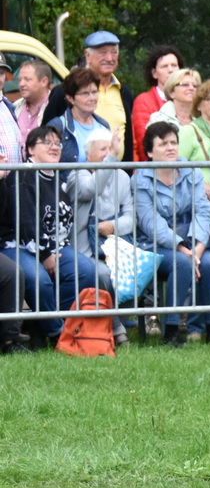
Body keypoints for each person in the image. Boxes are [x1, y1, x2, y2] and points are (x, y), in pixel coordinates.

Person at [0, 125, 108, 340]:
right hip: (19, 244)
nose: (54, 147)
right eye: (47, 143)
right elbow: (25, 222)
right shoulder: (23, 176)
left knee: (86, 271)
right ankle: (56, 332)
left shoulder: (57, 178)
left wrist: (53, 250)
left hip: (54, 245)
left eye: (57, 143)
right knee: (40, 280)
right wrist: (45, 254)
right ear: (30, 149)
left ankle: (51, 326)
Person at [133, 122, 210, 346]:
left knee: (209, 263)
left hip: (193, 240)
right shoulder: (140, 178)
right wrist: (184, 249)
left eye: (174, 142)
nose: (171, 147)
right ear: (150, 152)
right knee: (181, 262)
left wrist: (199, 248)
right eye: (163, 144)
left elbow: (203, 210)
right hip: (154, 243)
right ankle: (171, 330)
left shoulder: (191, 170)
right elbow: (151, 223)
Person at [64, 127, 133, 345]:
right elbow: (91, 189)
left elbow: (131, 218)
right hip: (85, 248)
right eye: (103, 149)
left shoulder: (122, 177)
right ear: (89, 155)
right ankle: (117, 328)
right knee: (103, 273)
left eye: (110, 149)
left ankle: (126, 322)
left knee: (134, 268)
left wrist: (112, 225)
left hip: (116, 245)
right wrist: (112, 157)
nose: (107, 153)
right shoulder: (78, 174)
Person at [41, 31, 135, 162]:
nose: (109, 58)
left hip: (115, 176)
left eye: (114, 52)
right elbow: (45, 136)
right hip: (70, 178)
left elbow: (129, 140)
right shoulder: (64, 91)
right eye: (103, 52)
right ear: (87, 55)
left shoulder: (123, 92)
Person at [47, 67, 112, 163]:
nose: (92, 98)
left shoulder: (103, 126)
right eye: (85, 93)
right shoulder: (57, 126)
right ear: (70, 98)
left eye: (94, 92)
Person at [12, 61, 54, 138]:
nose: (21, 84)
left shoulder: (55, 107)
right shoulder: (15, 107)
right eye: (20, 80)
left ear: (44, 81)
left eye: (27, 79)